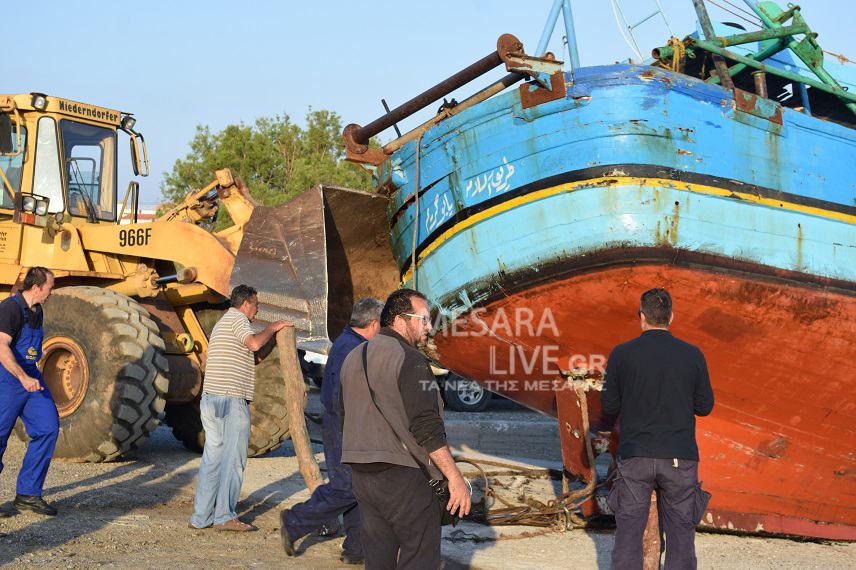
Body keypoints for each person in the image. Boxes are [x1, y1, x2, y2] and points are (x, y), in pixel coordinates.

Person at [338, 288, 471, 570]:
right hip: (403, 478)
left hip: (362, 475)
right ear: (400, 319)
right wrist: (455, 477)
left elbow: (343, 416)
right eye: (423, 319)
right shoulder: (410, 359)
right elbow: (426, 426)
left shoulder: (353, 357)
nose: (429, 327)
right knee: (420, 558)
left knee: (378, 559)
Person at [602, 288, 715, 570]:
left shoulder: (621, 354)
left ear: (642, 317)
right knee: (681, 535)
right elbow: (704, 406)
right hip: (679, 457)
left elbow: (609, 404)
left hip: (635, 456)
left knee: (628, 533)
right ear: (671, 317)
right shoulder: (693, 355)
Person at [281, 298, 384, 564]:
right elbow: (340, 397)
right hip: (343, 428)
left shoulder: (350, 343)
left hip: (345, 426)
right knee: (347, 487)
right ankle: (294, 521)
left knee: (359, 488)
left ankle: (356, 549)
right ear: (373, 324)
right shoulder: (352, 349)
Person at [189, 284, 291, 531]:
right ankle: (225, 516)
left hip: (211, 400)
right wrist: (273, 327)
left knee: (213, 459)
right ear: (245, 304)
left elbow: (254, 357)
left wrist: (273, 341)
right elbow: (255, 344)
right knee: (234, 461)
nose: (257, 311)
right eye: (256, 305)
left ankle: (201, 518)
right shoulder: (238, 319)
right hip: (230, 400)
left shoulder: (224, 323)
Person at [0, 267, 59, 516]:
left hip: (30, 377)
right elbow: (1, 347)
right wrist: (22, 376)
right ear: (36, 288)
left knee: (48, 427)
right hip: (7, 378)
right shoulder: (9, 309)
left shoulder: (37, 309)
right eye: (50, 287)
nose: (51, 291)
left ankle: (28, 494)